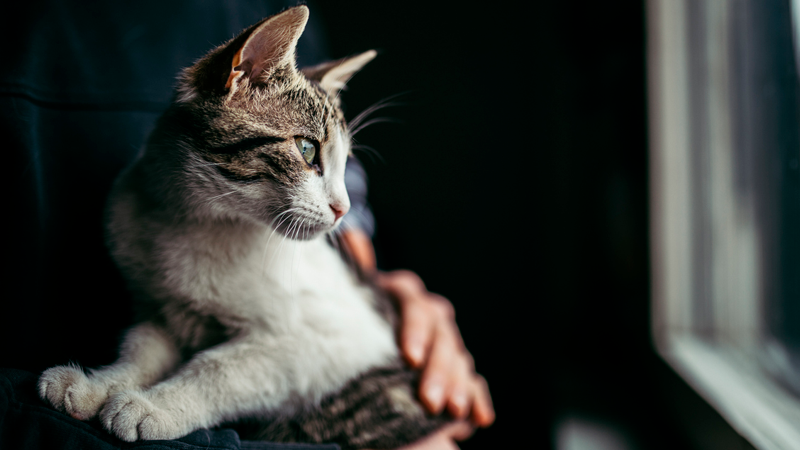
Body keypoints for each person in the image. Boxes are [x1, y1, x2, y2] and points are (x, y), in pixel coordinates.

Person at [0, 1, 493, 448]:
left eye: (339, 165)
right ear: (239, 79)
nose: (338, 203)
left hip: (369, 414)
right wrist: (121, 382)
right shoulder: (130, 214)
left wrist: (380, 278)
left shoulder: (273, 227)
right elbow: (170, 325)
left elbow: (297, 349)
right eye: (310, 155)